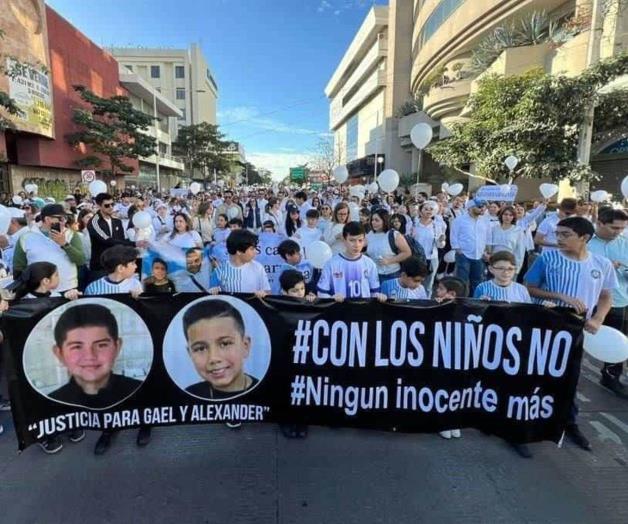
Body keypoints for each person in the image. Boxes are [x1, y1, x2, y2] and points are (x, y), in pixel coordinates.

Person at [525, 217, 617, 452]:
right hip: (546, 325)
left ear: (584, 237)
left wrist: (598, 318)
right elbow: (530, 287)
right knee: (536, 375)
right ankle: (524, 424)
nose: (559, 239)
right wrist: (559, 297)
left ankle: (569, 422)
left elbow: (607, 296)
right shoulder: (547, 258)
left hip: (577, 330)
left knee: (571, 377)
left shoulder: (602, 264)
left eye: (565, 235)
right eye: (558, 234)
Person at [182, 299, 258, 400]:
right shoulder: (185, 397)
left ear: (245, 346)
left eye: (225, 343)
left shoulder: (269, 393)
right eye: (200, 348)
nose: (214, 358)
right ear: (190, 353)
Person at [588, 208, 628, 398]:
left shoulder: (625, 242)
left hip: (617, 299)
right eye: (614, 227)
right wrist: (604, 267)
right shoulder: (585, 240)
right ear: (600, 223)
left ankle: (611, 375)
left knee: (616, 340)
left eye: (622, 228)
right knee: (578, 341)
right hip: (585, 299)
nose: (618, 231)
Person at [13, 204, 85, 294]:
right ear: (47, 219)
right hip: (38, 292)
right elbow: (18, 268)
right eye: (61, 219)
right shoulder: (26, 237)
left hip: (68, 290)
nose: (64, 222)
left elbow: (81, 260)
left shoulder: (71, 235)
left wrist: (64, 244)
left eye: (65, 218)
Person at [318, 222, 385, 302]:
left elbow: (374, 292)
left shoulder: (370, 263)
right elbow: (321, 293)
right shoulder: (331, 264)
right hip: (339, 311)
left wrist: (379, 296)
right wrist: (332, 298)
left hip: (363, 311)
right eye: (352, 240)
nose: (356, 245)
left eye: (360, 240)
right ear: (344, 240)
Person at [88, 193, 146, 277]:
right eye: (107, 205)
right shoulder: (94, 222)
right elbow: (107, 240)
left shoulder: (117, 221)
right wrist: (134, 243)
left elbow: (121, 241)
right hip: (100, 266)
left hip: (117, 265)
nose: (111, 207)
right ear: (99, 206)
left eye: (112, 204)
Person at [209, 229, 271, 297]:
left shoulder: (258, 267)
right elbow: (212, 296)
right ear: (239, 251)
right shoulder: (219, 271)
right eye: (252, 249)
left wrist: (264, 294)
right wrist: (213, 291)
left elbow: (268, 292)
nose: (256, 251)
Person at [450, 198, 491, 294]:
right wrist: (458, 250)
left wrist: (487, 252)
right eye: (479, 206)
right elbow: (453, 236)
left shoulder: (485, 221)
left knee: (477, 281)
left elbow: (488, 237)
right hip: (464, 255)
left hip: (479, 255)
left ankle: (475, 302)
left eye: (483, 207)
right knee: (461, 281)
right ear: (471, 207)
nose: (482, 209)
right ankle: (460, 301)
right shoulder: (459, 220)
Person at [366, 209, 412, 284]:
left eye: (377, 220)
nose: (373, 222)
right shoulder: (370, 234)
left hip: (391, 275)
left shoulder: (394, 234)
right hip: (374, 275)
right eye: (372, 220)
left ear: (384, 221)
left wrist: (389, 261)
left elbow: (407, 252)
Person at [413, 202, 447, 295]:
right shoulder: (414, 224)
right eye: (426, 209)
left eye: (431, 209)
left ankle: (426, 303)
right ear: (420, 211)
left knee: (428, 285)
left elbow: (440, 245)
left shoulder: (437, 226)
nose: (429, 211)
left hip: (432, 258)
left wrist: (441, 240)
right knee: (414, 283)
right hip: (417, 258)